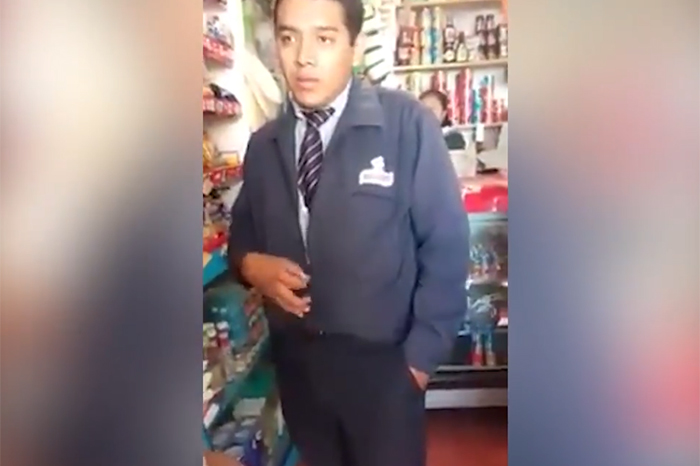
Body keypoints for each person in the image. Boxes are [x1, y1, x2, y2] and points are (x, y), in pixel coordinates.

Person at [227, 0, 469, 463]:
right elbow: (242, 238)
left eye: (324, 38)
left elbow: (447, 249)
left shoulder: (405, 126)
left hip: (386, 373)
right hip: (301, 377)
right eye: (288, 38)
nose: (304, 57)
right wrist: (250, 265)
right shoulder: (264, 146)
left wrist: (417, 365)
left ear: (354, 46)